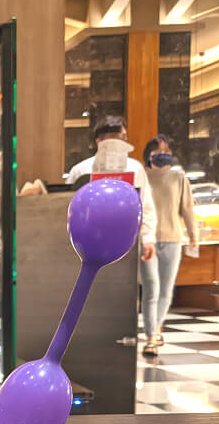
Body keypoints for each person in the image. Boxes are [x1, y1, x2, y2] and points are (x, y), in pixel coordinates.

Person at [67, 116, 157, 263]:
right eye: (115, 139)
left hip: (127, 242)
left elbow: (145, 206)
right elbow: (68, 209)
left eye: (123, 138)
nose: (120, 143)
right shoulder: (81, 171)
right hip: (88, 242)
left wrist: (148, 238)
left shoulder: (134, 168)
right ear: (99, 142)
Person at [139, 134, 198, 357]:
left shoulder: (179, 177)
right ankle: (151, 336)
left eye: (167, 150)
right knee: (151, 288)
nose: (163, 154)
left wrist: (193, 235)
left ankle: (154, 328)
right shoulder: (142, 176)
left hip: (173, 238)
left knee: (165, 290)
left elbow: (187, 209)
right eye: (158, 150)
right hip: (147, 240)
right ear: (149, 154)